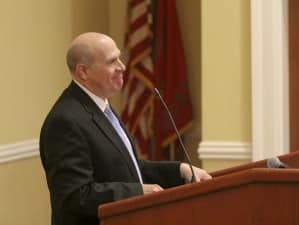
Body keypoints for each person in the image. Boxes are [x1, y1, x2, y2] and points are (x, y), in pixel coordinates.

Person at [39, 32, 211, 225]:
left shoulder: (101, 107)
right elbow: (74, 197)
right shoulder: (65, 121)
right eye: (112, 61)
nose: (122, 66)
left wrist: (180, 170)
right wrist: (138, 192)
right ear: (83, 72)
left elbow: (129, 169)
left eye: (119, 58)